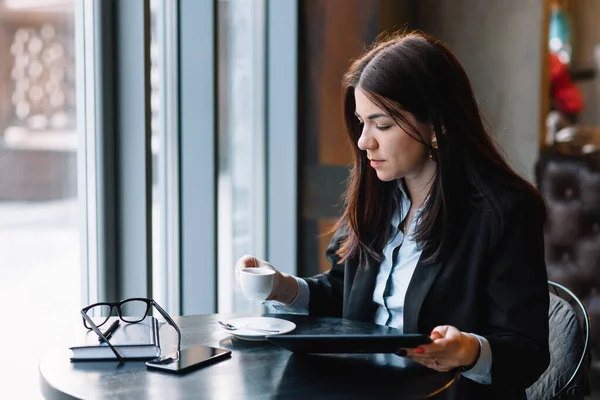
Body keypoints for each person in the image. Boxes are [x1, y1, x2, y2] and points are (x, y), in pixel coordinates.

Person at [235, 31, 549, 399]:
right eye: (361, 122)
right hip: (361, 388)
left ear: (437, 124)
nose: (364, 140)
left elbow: (528, 352)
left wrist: (469, 351)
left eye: (382, 125)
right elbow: (346, 296)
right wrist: (284, 287)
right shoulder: (377, 194)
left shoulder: (503, 212)